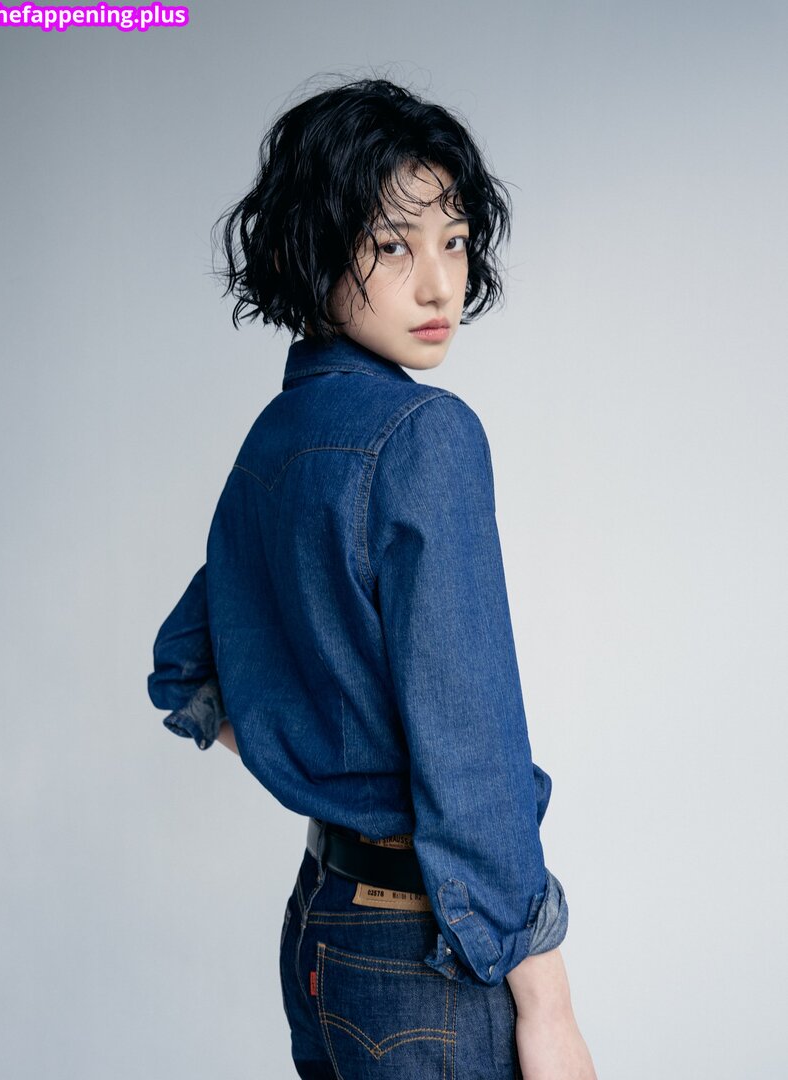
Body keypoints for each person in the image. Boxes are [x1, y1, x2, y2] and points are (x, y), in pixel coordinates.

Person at [147, 76, 598, 1080]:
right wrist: (549, 1004)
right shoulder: (427, 436)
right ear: (311, 250)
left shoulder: (280, 436)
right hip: (424, 958)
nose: (440, 286)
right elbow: (472, 748)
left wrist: (312, 754)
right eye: (394, 245)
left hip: (321, 929)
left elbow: (184, 665)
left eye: (455, 240)